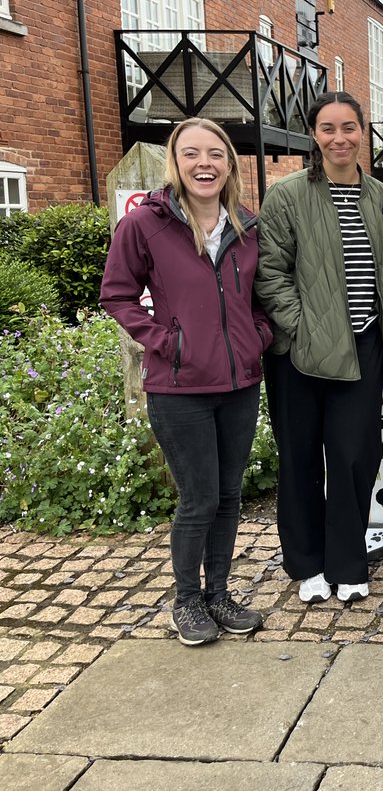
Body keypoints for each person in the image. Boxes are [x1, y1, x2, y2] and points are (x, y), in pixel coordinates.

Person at [101, 118, 272, 645]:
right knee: (198, 499)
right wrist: (168, 342)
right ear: (176, 162)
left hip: (239, 386)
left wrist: (256, 339)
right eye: (193, 153)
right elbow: (117, 295)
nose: (205, 164)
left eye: (216, 154)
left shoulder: (246, 227)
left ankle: (219, 593)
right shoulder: (147, 225)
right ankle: (187, 601)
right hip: (179, 390)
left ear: (230, 164)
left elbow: (260, 301)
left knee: (227, 494)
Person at [256, 91, 383, 605]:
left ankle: (348, 561)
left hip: (360, 345)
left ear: (363, 131)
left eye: (349, 127)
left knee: (353, 457)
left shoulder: (381, 197)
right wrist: (299, 329)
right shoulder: (288, 195)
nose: (339, 138)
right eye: (327, 128)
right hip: (298, 353)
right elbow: (270, 273)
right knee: (299, 458)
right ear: (313, 135)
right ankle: (308, 564)